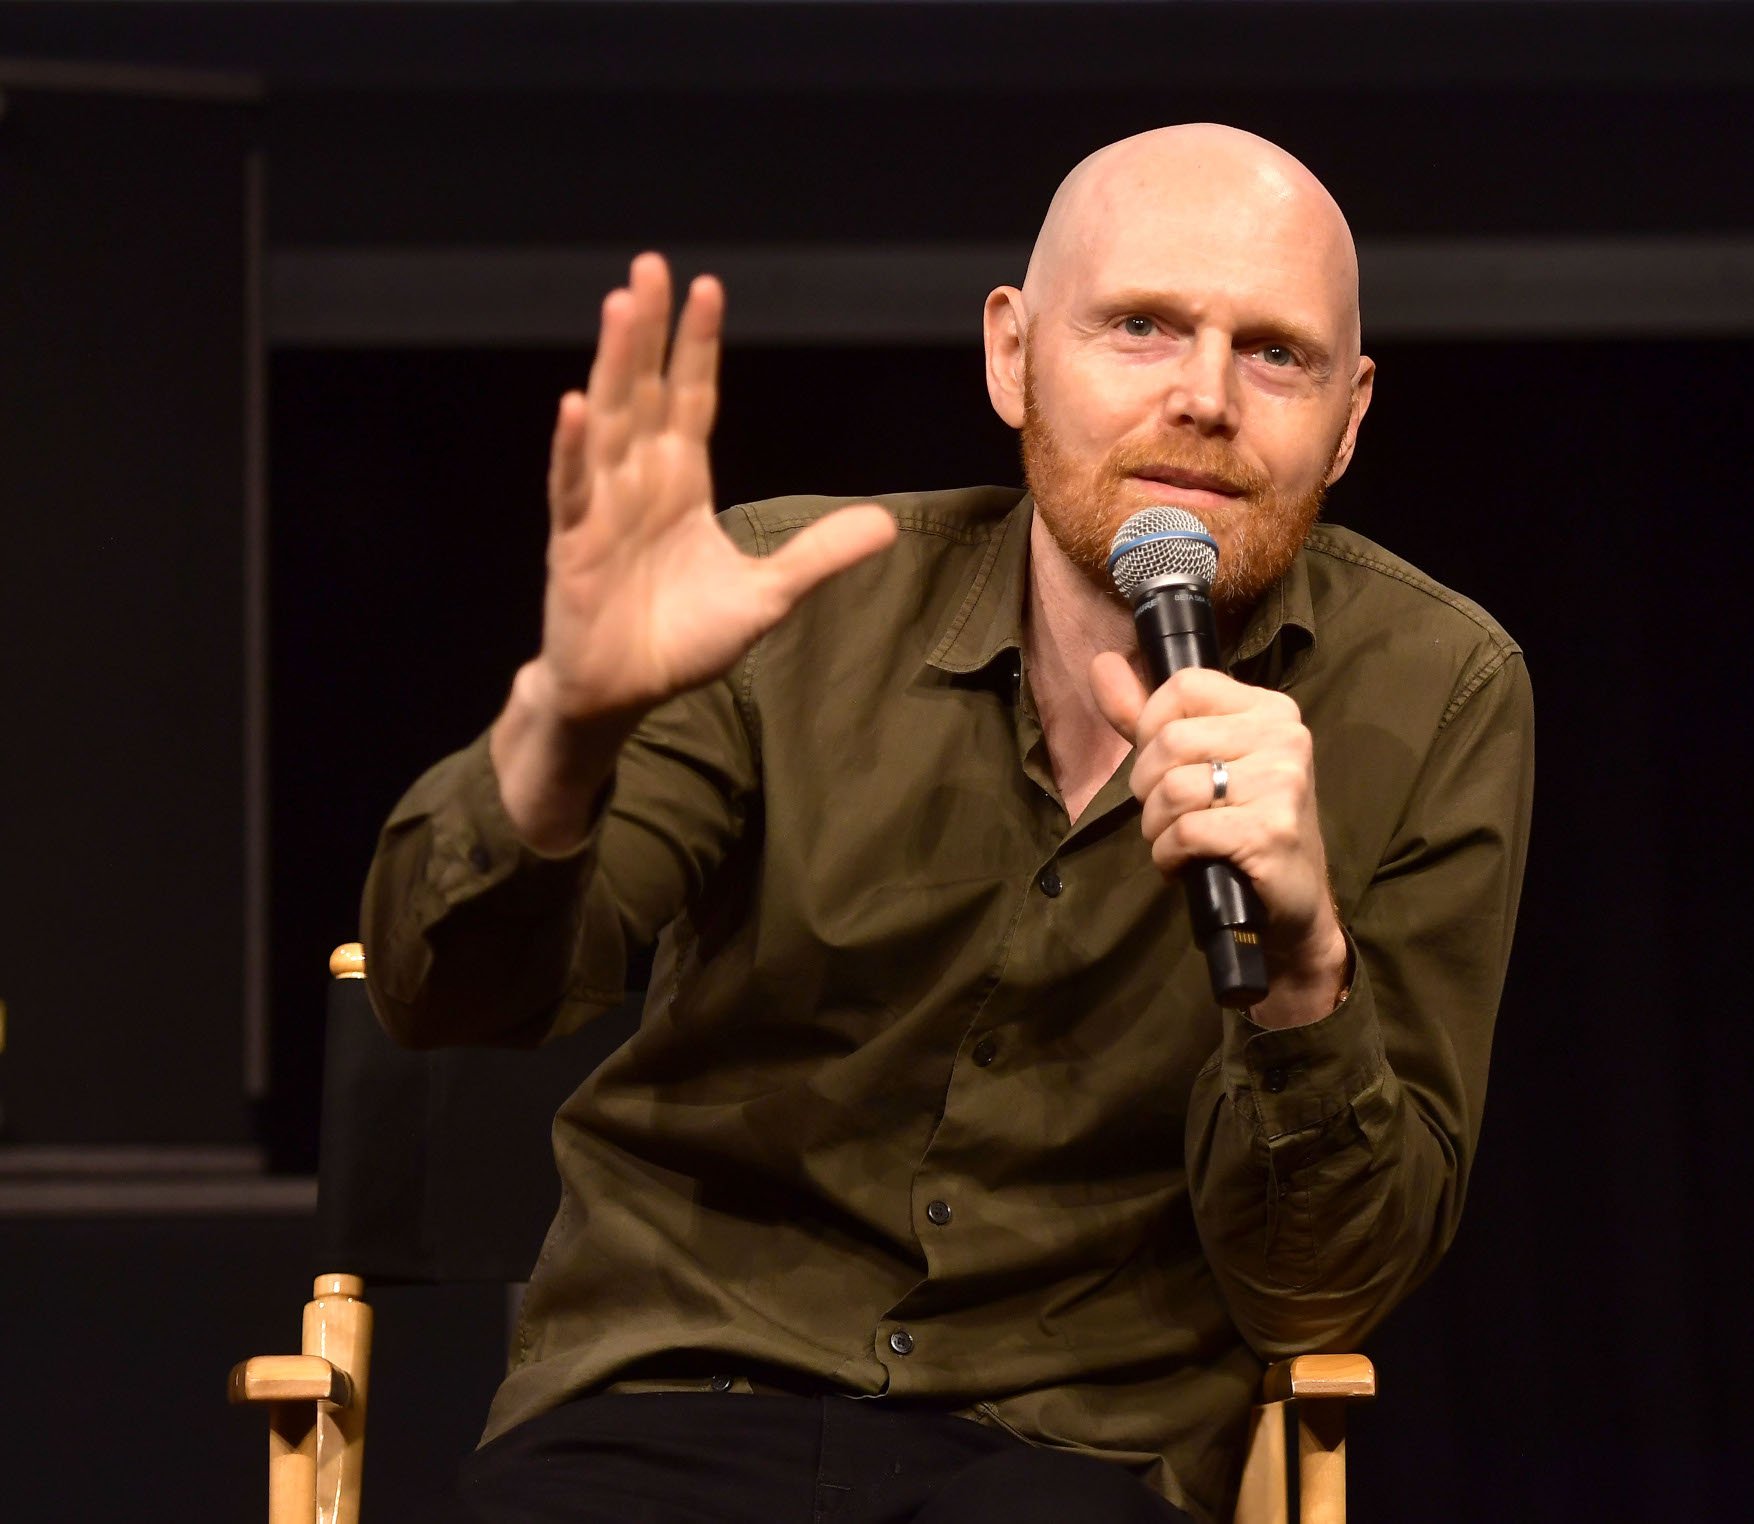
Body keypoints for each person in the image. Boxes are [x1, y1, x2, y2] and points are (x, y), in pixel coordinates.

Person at [362, 123, 1533, 1524]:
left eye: (1276, 352)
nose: (1206, 398)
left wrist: (1298, 976)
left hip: (1076, 1458)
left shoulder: (1437, 692)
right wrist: (560, 724)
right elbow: (447, 996)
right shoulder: (789, 600)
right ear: (1012, 355)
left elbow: (1322, 1283)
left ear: (1349, 416)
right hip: (680, 1411)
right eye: (1142, 325)